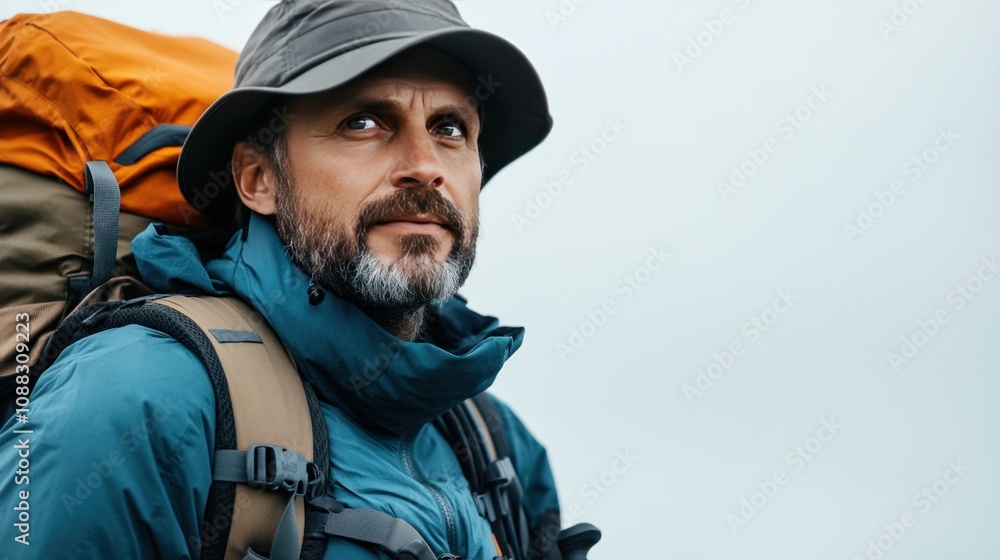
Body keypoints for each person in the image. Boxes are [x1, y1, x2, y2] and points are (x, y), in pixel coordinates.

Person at [0, 0, 566, 558]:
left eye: (449, 128)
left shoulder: (496, 445)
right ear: (257, 178)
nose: (425, 164)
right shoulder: (140, 400)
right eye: (363, 123)